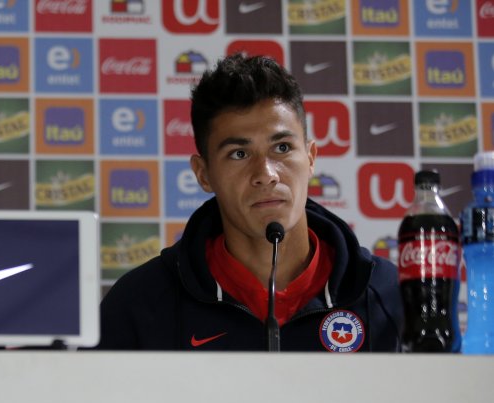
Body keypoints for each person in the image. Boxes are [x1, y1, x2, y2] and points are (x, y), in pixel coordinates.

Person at [98, 53, 402, 352]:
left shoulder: (390, 295)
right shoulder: (138, 304)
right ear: (203, 174)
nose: (266, 174)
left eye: (282, 147)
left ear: (310, 159)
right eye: (239, 154)